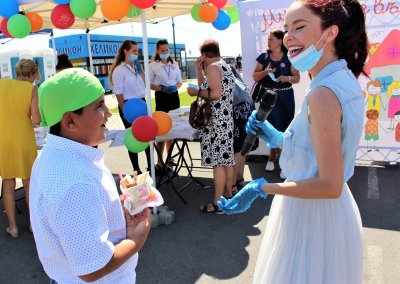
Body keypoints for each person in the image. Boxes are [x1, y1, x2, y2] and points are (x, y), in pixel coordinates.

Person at [219, 0, 368, 283]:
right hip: (326, 217)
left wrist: (260, 187)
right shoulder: (339, 78)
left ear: (330, 33)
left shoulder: (323, 93)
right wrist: (276, 136)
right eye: (286, 28)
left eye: (299, 27)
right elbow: (317, 150)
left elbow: (329, 184)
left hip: (312, 221)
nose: (288, 37)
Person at [30, 68, 152, 283]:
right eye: (99, 106)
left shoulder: (58, 154)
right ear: (70, 122)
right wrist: (136, 238)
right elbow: (92, 269)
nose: (109, 112)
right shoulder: (76, 183)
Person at [187, 39, 235, 213]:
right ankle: (229, 196)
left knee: (218, 163)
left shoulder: (214, 68)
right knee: (226, 160)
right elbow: (206, 87)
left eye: (202, 56)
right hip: (224, 119)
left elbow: (214, 94)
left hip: (216, 121)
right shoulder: (223, 66)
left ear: (205, 54)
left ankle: (217, 203)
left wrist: (195, 92)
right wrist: (200, 71)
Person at [0, 59, 41, 238]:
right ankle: (33, 223)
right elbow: (37, 119)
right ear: (32, 74)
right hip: (24, 138)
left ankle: (13, 227)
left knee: (8, 184)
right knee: (28, 182)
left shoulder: (2, 83)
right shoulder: (32, 89)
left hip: (4, 138)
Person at [252, 29, 300, 179]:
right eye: (268, 39)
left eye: (271, 39)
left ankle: (284, 163)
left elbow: (297, 77)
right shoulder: (264, 57)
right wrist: (265, 72)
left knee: (285, 128)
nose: (268, 41)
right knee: (270, 128)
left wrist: (287, 78)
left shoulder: (290, 58)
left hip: (285, 97)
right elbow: (255, 76)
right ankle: (272, 158)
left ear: (280, 41)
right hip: (268, 98)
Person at [109, 40, 151, 174]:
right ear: (125, 51)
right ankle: (136, 169)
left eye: (137, 51)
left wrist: (141, 71)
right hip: (129, 106)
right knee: (133, 137)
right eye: (134, 51)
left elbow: (146, 84)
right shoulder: (119, 70)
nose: (136, 53)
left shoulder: (135, 67)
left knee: (147, 136)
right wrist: (125, 111)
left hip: (141, 103)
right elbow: (118, 93)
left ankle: (151, 166)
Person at [149, 39, 182, 169]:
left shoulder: (174, 64)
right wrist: (161, 88)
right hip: (161, 96)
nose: (165, 52)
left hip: (174, 96)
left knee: (172, 128)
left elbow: (179, 82)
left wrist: (175, 87)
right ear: (157, 51)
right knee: (161, 129)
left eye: (167, 50)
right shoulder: (153, 65)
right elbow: (149, 84)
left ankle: (170, 157)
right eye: (162, 50)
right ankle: (159, 161)